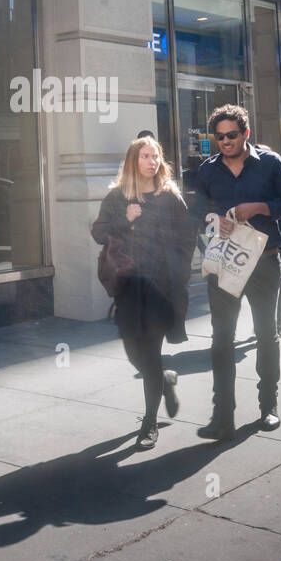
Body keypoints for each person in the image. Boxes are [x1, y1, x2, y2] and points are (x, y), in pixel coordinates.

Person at [190, 104, 281, 439]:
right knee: (222, 339)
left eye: (232, 135)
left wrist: (260, 207)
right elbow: (197, 211)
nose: (225, 141)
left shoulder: (270, 163)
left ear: (246, 133)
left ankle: (269, 406)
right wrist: (214, 220)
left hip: (264, 261)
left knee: (266, 334)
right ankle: (222, 417)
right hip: (225, 264)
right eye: (219, 136)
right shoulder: (208, 171)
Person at [91, 137, 196, 450]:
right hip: (129, 287)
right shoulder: (117, 197)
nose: (152, 162)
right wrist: (126, 219)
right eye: (146, 156)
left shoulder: (169, 197)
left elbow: (187, 236)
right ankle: (164, 380)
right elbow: (98, 232)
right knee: (134, 353)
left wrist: (179, 273)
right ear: (133, 161)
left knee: (150, 353)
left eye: (156, 156)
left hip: (161, 289)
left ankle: (149, 424)